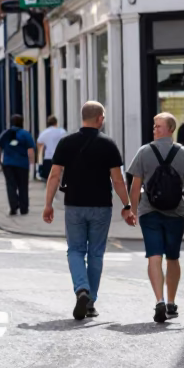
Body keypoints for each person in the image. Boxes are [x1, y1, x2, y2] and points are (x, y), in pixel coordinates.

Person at [43, 101, 134, 321]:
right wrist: (127, 205)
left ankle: (81, 289)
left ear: (82, 117)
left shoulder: (66, 143)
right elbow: (118, 180)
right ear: (100, 118)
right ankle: (90, 301)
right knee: (96, 253)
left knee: (75, 250)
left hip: (74, 205)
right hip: (101, 206)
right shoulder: (108, 144)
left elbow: (54, 175)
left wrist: (48, 204)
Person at [127, 112, 184, 324]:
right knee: (172, 257)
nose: (155, 129)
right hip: (177, 212)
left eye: (158, 126)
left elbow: (135, 186)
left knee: (155, 255)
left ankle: (161, 300)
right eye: (154, 126)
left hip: (149, 211)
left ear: (171, 129)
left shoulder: (144, 152)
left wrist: (132, 209)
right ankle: (169, 303)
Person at [0, 115, 36, 215]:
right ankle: (23, 208)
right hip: (22, 164)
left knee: (10, 186)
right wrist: (32, 164)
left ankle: (13, 207)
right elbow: (30, 150)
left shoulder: (5, 133)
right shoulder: (25, 134)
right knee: (23, 186)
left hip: (8, 164)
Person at [36, 115, 67, 182]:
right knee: (61, 178)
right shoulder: (62, 132)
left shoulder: (44, 133)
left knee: (50, 179)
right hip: (60, 157)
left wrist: (40, 160)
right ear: (56, 122)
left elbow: (39, 145)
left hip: (48, 158)